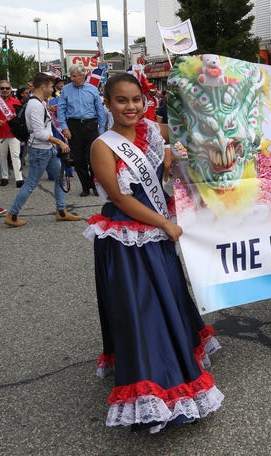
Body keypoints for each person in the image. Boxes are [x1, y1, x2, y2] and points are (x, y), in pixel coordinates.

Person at [85, 73, 223, 432]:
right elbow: (119, 198)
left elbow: (198, 123)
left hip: (158, 232)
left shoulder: (152, 130)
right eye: (121, 101)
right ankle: (153, 388)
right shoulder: (103, 146)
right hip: (128, 240)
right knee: (141, 311)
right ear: (107, 103)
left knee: (169, 300)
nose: (130, 107)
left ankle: (175, 362)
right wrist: (165, 224)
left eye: (136, 99)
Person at [4, 73, 81, 228]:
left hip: (47, 149)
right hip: (39, 150)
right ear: (43, 86)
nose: (53, 89)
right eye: (51, 86)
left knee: (60, 176)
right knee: (31, 183)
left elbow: (45, 128)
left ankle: (61, 210)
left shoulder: (40, 103)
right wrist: (58, 141)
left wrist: (52, 142)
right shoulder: (35, 105)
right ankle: (12, 214)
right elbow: (38, 132)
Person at [57, 64, 107, 197]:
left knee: (94, 158)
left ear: (82, 75)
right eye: (71, 76)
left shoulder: (92, 89)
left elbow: (100, 110)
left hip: (90, 125)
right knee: (79, 159)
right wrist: (64, 127)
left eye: (74, 76)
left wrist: (101, 129)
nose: (72, 79)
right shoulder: (66, 90)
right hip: (74, 126)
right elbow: (61, 109)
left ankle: (96, 185)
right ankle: (85, 187)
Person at [0, 80, 24, 188]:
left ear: (10, 89)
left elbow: (21, 117)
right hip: (0, 133)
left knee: (15, 156)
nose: (4, 90)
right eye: (2, 88)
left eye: (7, 88)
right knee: (2, 157)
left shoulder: (16, 102)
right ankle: (5, 177)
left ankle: (19, 178)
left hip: (13, 133)